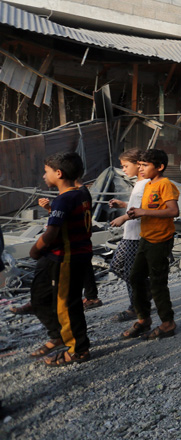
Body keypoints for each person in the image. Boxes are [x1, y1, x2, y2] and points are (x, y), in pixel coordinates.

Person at [28, 152, 92, 366]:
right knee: (61, 301)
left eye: (46, 171)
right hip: (77, 254)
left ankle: (78, 350)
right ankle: (65, 338)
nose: (43, 176)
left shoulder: (63, 200)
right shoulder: (81, 194)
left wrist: (35, 250)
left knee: (66, 305)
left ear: (58, 173)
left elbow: (51, 234)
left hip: (66, 258)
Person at [121, 149, 180, 340]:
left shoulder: (165, 184)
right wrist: (134, 212)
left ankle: (167, 322)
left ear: (160, 167)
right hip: (146, 238)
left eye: (145, 165)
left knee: (157, 283)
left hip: (160, 240)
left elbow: (173, 211)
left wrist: (144, 213)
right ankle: (143, 319)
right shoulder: (148, 185)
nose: (141, 168)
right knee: (136, 277)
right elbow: (147, 208)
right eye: (139, 165)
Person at [108, 149, 149, 322]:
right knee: (117, 266)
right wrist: (124, 204)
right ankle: (146, 290)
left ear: (138, 165)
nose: (123, 169)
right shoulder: (138, 184)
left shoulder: (147, 184)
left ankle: (136, 307)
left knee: (132, 273)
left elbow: (146, 209)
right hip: (129, 235)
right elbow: (136, 205)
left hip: (137, 236)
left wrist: (124, 217)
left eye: (126, 165)